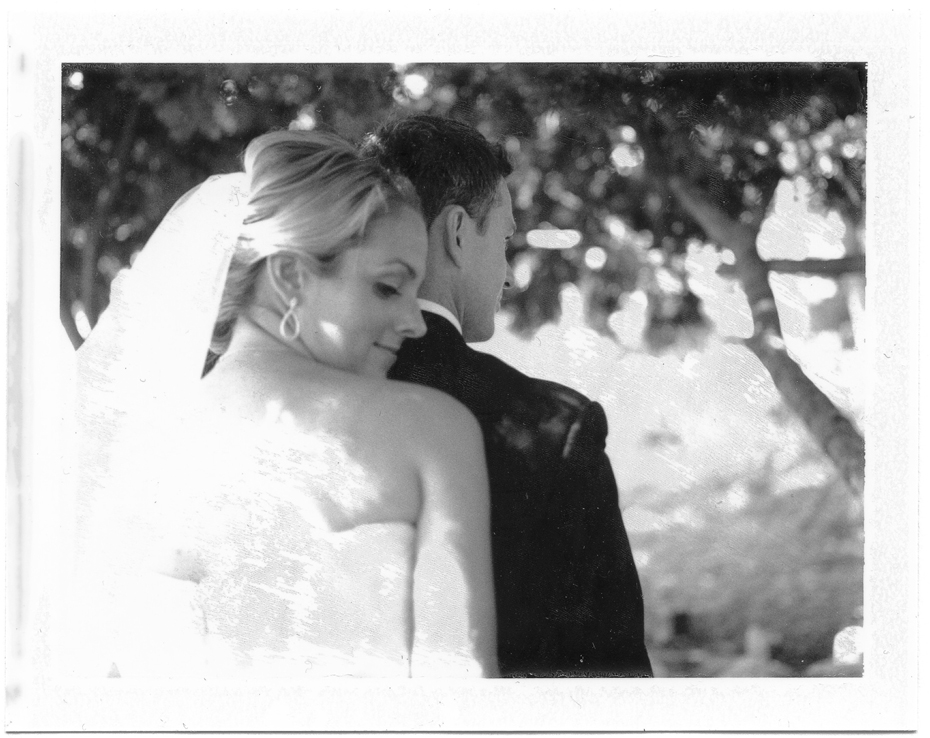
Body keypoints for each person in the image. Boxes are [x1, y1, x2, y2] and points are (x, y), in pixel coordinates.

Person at [64, 130, 497, 678]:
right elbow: (460, 698)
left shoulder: (138, 449)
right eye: (389, 288)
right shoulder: (432, 430)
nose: (414, 323)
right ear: (290, 276)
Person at [362, 115, 653, 678]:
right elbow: (614, 686)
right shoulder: (553, 428)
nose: (512, 277)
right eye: (506, 236)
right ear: (456, 233)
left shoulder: (305, 392)